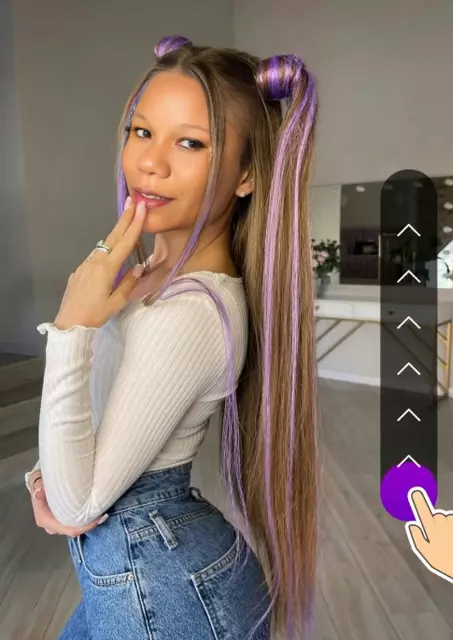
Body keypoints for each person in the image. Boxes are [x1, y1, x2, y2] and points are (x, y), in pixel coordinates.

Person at [25, 35, 320, 640]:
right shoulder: (145, 278)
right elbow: (96, 420)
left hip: (162, 587)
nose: (150, 163)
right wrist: (41, 477)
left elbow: (80, 504)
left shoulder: (189, 313)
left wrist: (71, 328)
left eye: (190, 143)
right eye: (141, 131)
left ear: (247, 175)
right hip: (146, 571)